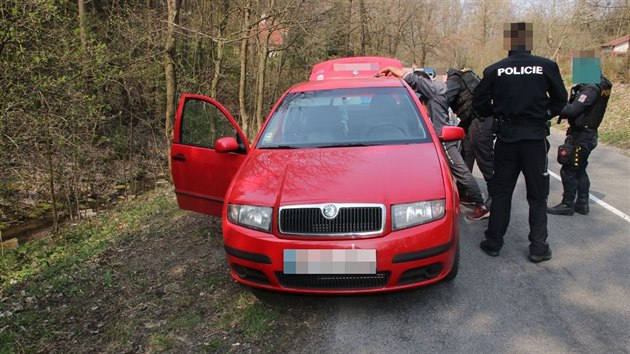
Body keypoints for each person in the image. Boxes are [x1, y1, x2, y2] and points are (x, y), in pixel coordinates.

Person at [472, 22, 567, 263]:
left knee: (502, 192)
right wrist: (544, 114)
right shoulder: (546, 66)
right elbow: (560, 100)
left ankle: (493, 242)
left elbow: (479, 102)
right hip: (534, 140)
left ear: (509, 44)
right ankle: (538, 247)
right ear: (529, 42)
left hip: (506, 139)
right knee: (537, 195)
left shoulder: (495, 70)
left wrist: (496, 111)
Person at [376, 66, 489, 220]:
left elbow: (413, 80)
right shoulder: (433, 92)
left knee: (460, 172)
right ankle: (468, 196)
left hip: (443, 139)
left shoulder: (435, 89)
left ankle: (480, 204)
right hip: (434, 138)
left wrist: (393, 69)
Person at [547, 74, 612, 215]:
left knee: (568, 169)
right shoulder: (599, 84)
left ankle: (567, 204)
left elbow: (572, 110)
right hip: (587, 134)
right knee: (580, 168)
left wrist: (554, 105)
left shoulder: (591, 89)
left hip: (582, 136)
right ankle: (582, 203)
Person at [446, 67, 495, 209]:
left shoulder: (455, 79)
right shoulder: (465, 77)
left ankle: (495, 199)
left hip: (480, 121)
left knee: (485, 160)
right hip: (472, 120)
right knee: (465, 155)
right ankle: (465, 193)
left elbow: (444, 98)